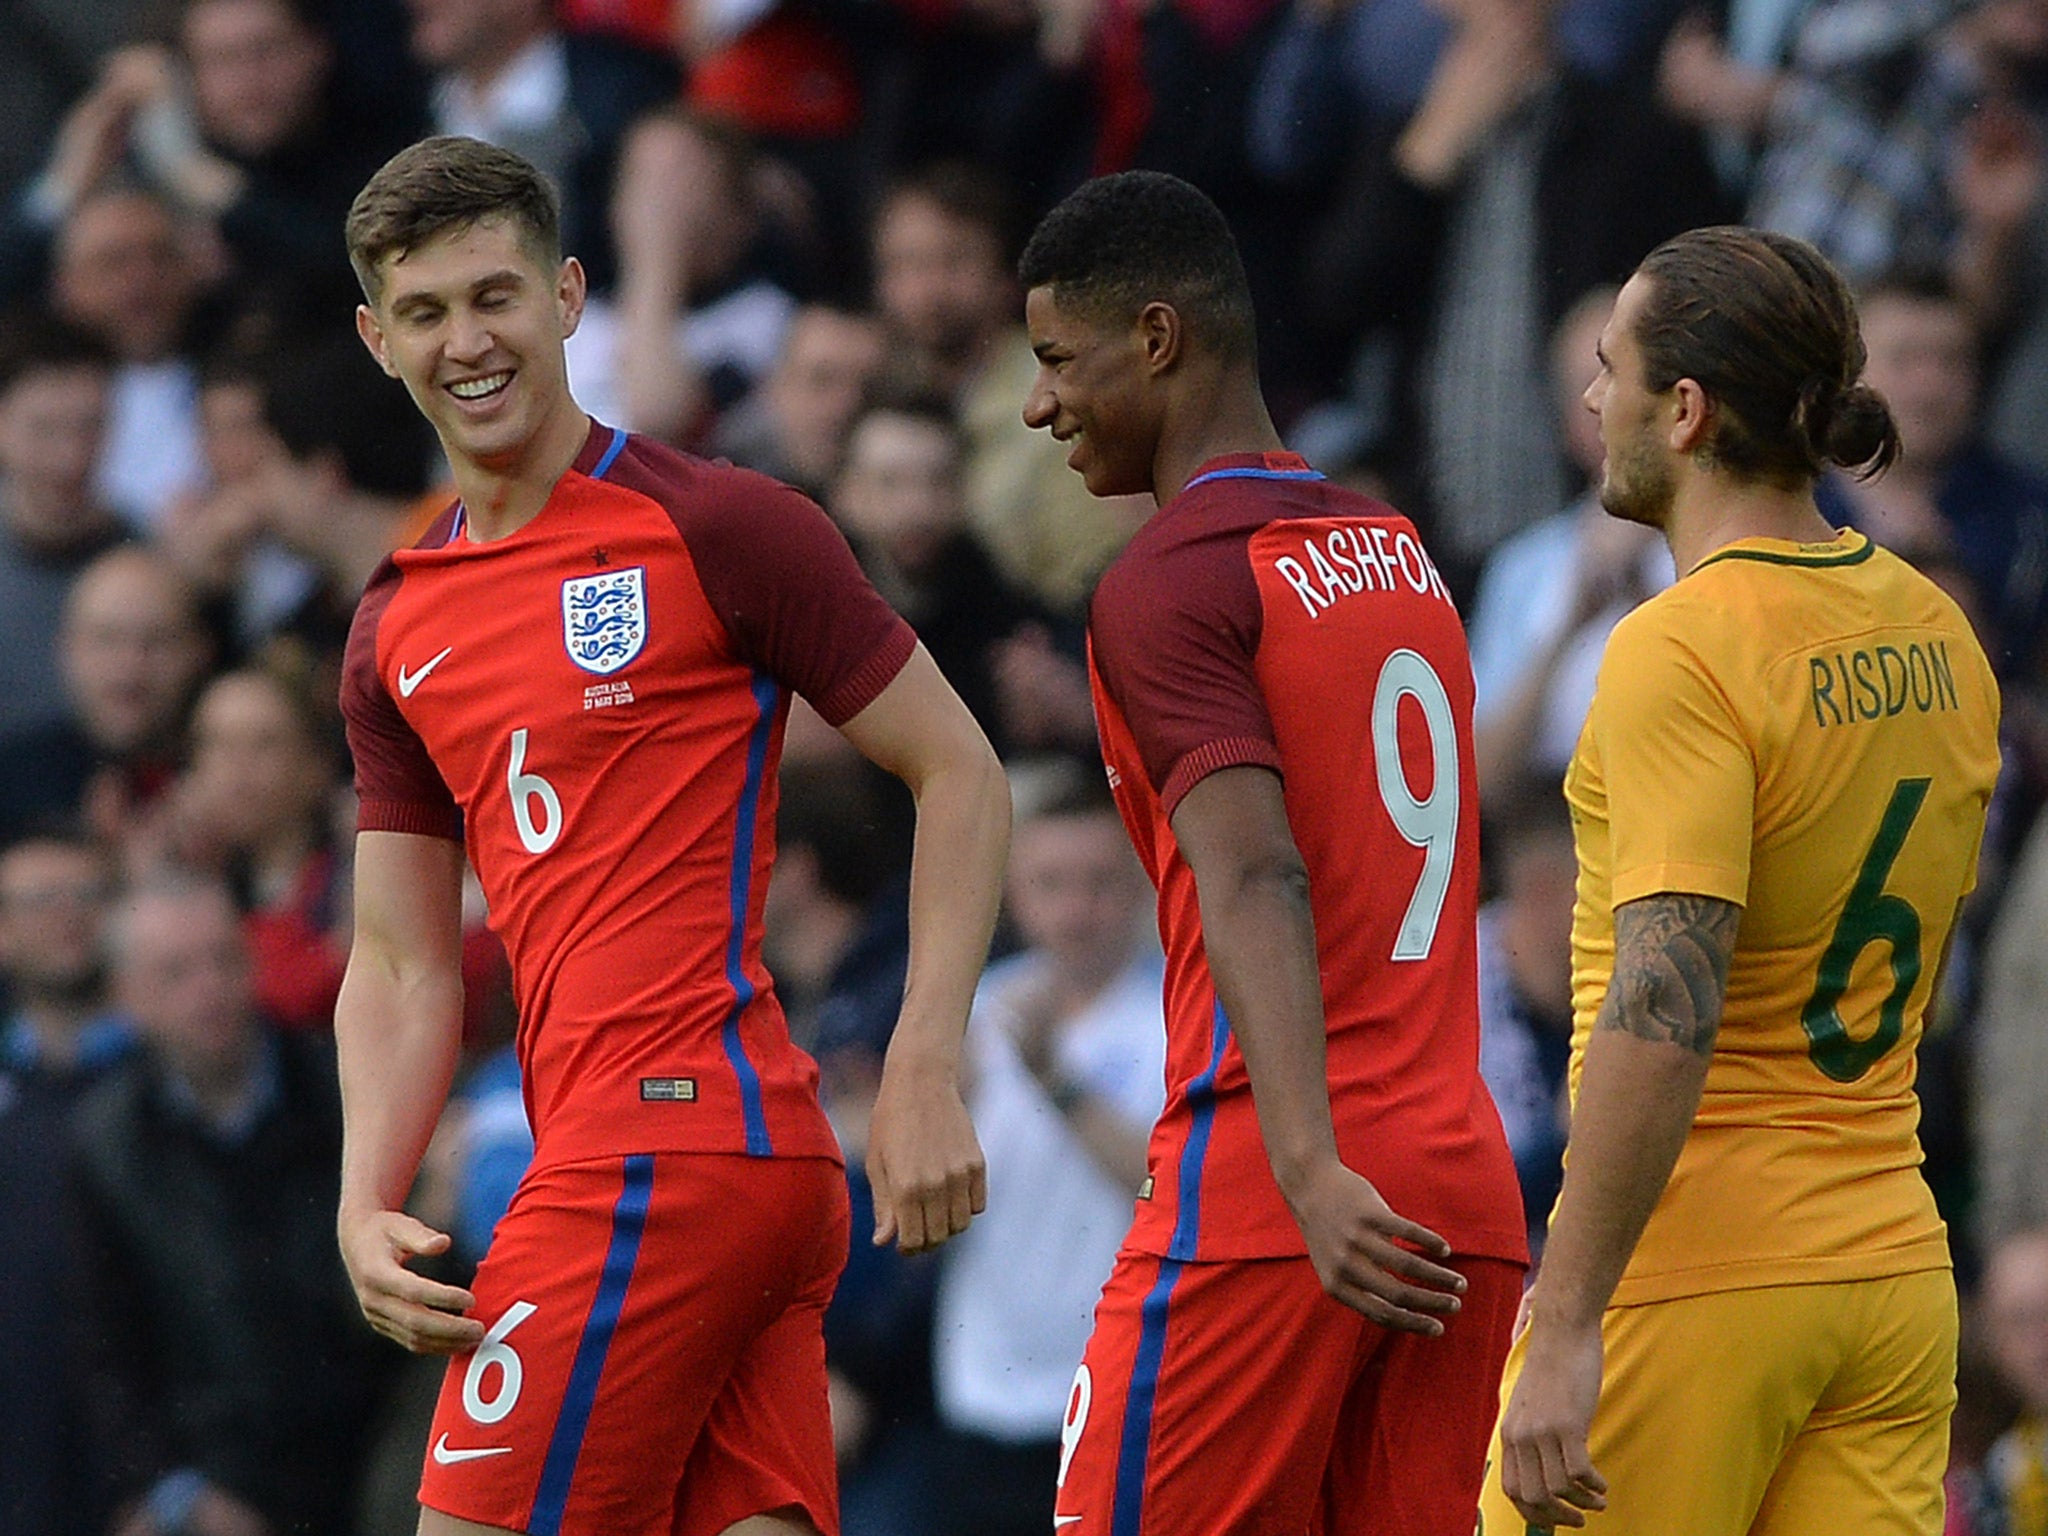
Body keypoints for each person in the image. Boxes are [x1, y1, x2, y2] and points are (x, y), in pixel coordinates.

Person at [333, 135, 1010, 1536]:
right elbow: (401, 961)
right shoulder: (394, 625)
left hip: (661, 1164)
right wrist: (362, 1196)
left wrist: (925, 1060)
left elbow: (961, 772)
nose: (469, 340)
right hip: (710, 1174)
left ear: (570, 295)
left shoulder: (719, 525)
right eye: (426, 311)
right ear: (375, 338)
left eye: (495, 295)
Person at [1018, 170, 1527, 1535]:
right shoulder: (1395, 547)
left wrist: (1305, 1165)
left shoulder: (1169, 581)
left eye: (1059, 360)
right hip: (1458, 1176)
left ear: (1160, 339)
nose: (1039, 403)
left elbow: (1257, 872)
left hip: (1282, 1180)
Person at [1483, 226, 2002, 1534]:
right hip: (1888, 1266)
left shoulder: (1682, 650)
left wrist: (1566, 1316)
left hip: (1698, 1272)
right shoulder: (1937, 625)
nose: (1593, 403)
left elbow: (1668, 1004)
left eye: (1613, 371)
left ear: (1689, 409)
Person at [69, 872, 399, 1536]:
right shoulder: (108, 1142)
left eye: (224, 958)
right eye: (176, 973)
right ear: (126, 998)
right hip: (218, 1485)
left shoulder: (344, 1093)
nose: (209, 987)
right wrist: (174, 1489)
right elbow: (108, 1345)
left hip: (372, 1463)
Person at [929, 759, 1165, 1536]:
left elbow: (1168, 1185)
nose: (1076, 909)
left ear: (1139, 886)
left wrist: (1055, 1083)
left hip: (1116, 1390)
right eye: (1051, 883)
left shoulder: (1178, 1019)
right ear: (1015, 894)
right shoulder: (981, 1006)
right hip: (981, 1387)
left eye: (1098, 881)